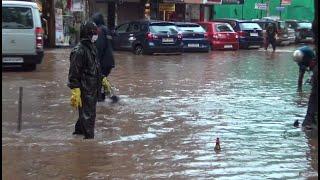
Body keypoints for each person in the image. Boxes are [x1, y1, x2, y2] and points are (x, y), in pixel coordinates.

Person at [68, 21, 104, 139]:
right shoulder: (80, 51)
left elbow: (95, 66)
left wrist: (102, 79)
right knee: (89, 115)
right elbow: (74, 72)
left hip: (92, 88)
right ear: (88, 34)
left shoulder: (92, 48)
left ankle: (79, 134)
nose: (96, 35)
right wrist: (75, 89)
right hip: (85, 89)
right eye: (94, 33)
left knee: (85, 113)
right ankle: (89, 141)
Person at [92, 12, 115, 102]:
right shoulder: (106, 29)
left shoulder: (100, 30)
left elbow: (99, 47)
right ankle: (105, 97)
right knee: (101, 79)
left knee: (99, 80)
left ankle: (104, 98)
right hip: (109, 61)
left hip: (103, 62)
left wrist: (95, 60)